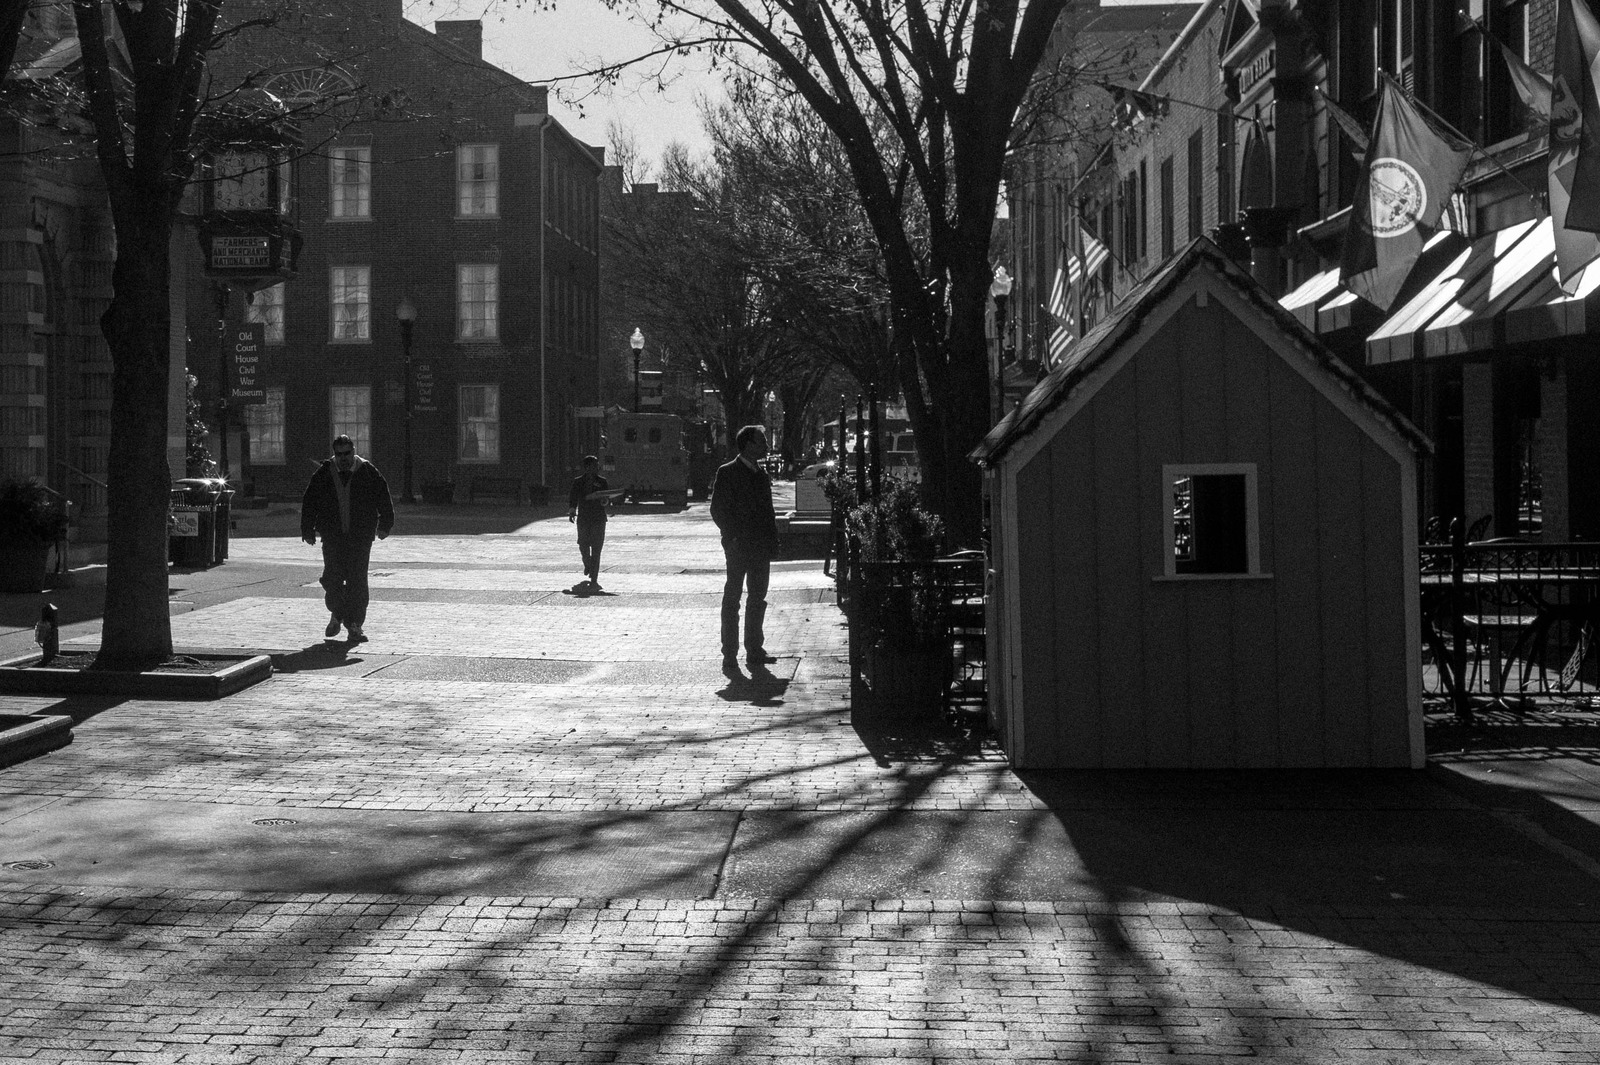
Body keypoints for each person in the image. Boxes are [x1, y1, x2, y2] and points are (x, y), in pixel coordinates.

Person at [301, 434, 394, 642]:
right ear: (335, 454)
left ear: (353, 452)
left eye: (347, 454)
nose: (343, 458)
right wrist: (307, 530)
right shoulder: (324, 473)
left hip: (360, 537)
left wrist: (385, 525)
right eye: (339, 454)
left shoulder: (368, 472)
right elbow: (310, 501)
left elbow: (383, 497)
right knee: (331, 578)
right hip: (332, 536)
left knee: (357, 581)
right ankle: (338, 611)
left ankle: (354, 625)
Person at [710, 425, 780, 671]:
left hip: (760, 546)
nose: (766, 446)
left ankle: (754, 649)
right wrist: (732, 538)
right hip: (739, 546)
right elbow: (717, 509)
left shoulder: (761, 474)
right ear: (748, 444)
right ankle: (729, 652)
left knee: (757, 597)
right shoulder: (728, 472)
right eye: (762, 441)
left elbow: (767, 512)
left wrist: (772, 541)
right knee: (733, 599)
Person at [568, 454, 610, 589]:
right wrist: (572, 509)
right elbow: (573, 497)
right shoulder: (578, 481)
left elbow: (606, 497)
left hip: (598, 518)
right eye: (594, 465)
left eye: (597, 465)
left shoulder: (602, 481)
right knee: (583, 545)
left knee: (597, 549)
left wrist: (605, 500)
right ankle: (587, 564)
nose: (597, 467)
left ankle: (594, 579)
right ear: (587, 467)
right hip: (584, 518)